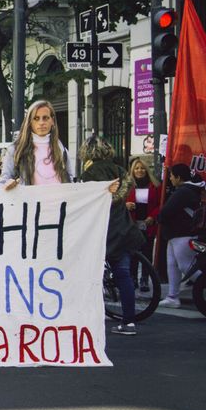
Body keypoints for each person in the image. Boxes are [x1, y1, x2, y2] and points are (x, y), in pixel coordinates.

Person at [80, 136, 142, 335]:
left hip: (102, 231)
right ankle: (129, 322)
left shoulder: (89, 173)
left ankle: (93, 319)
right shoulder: (120, 171)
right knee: (124, 275)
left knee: (91, 275)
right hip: (123, 228)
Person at [157, 163, 205, 309]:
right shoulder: (189, 190)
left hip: (182, 233)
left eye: (171, 175)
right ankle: (172, 296)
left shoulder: (183, 192)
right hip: (175, 234)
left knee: (185, 266)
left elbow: (166, 211)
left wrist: (159, 218)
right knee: (172, 265)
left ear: (178, 177)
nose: (170, 178)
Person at [0, 100, 74, 189]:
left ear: (52, 121)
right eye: (36, 118)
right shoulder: (16, 150)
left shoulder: (62, 150)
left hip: (59, 202)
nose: (41, 123)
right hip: (30, 202)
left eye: (45, 118)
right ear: (30, 122)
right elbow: (2, 183)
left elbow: (71, 182)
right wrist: (7, 185)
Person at [126, 156, 162, 292]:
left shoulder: (155, 185)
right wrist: (126, 205)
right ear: (132, 171)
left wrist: (152, 216)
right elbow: (118, 202)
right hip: (132, 224)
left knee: (146, 253)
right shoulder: (127, 185)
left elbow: (160, 204)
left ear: (146, 170)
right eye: (137, 168)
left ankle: (145, 280)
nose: (139, 170)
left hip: (148, 224)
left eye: (142, 168)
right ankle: (133, 278)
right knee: (133, 253)